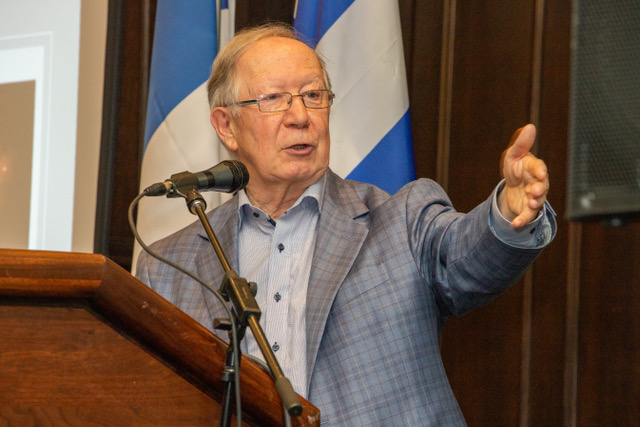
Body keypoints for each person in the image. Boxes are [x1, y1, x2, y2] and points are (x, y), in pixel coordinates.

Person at [136, 23, 556, 426]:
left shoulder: (400, 220)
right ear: (227, 126)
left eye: (313, 95)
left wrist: (506, 211)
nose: (300, 116)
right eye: (274, 98)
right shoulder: (169, 267)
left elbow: (468, 259)